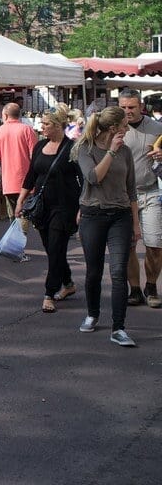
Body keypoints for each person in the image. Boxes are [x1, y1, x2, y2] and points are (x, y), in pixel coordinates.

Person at [72, 106, 139, 346]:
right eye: (123, 126)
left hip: (120, 216)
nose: (127, 129)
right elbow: (93, 178)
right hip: (93, 215)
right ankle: (92, 314)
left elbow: (131, 189)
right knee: (94, 271)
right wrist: (110, 152)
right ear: (113, 129)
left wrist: (136, 223)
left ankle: (119, 328)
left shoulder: (127, 152)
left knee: (119, 272)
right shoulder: (85, 149)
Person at [14, 106, 82, 314]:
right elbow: (31, 175)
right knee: (53, 249)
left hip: (64, 207)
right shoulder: (39, 146)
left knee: (55, 248)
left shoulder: (73, 148)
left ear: (60, 125)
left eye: (46, 124)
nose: (41, 127)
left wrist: (82, 207)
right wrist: (20, 199)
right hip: (42, 206)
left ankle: (49, 293)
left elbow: (85, 179)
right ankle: (68, 283)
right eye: (42, 123)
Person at [116, 89, 162, 308]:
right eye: (123, 107)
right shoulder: (113, 128)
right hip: (124, 195)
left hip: (150, 191)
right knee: (129, 246)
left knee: (155, 244)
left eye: (131, 107)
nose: (127, 112)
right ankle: (134, 289)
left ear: (141, 107)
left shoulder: (157, 128)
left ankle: (151, 286)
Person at [0, 103, 39, 219]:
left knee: (13, 216)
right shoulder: (27, 130)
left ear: (5, 115)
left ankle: (17, 235)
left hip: (9, 181)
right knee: (26, 214)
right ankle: (23, 235)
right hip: (27, 180)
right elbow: (35, 155)